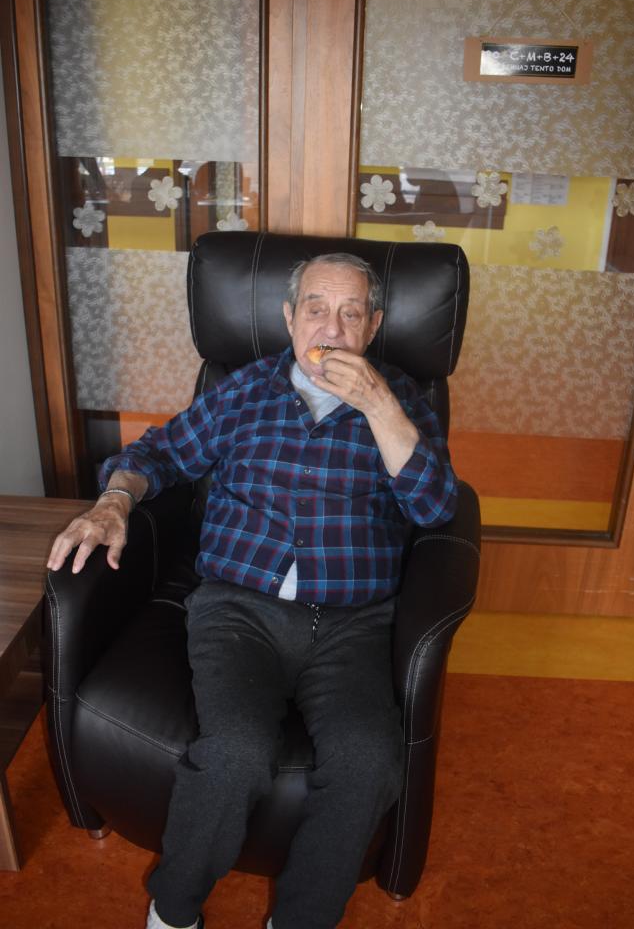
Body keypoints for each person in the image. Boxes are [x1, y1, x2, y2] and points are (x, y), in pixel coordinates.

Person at [47, 252, 458, 929]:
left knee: (368, 762)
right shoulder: (244, 390)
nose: (332, 328)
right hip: (240, 609)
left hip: (354, 620)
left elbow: (435, 508)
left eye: (351, 312)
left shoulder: (404, 401)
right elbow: (160, 453)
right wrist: (114, 502)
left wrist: (380, 405)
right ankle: (174, 910)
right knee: (236, 751)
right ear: (290, 318)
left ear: (374, 325)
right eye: (317, 309)